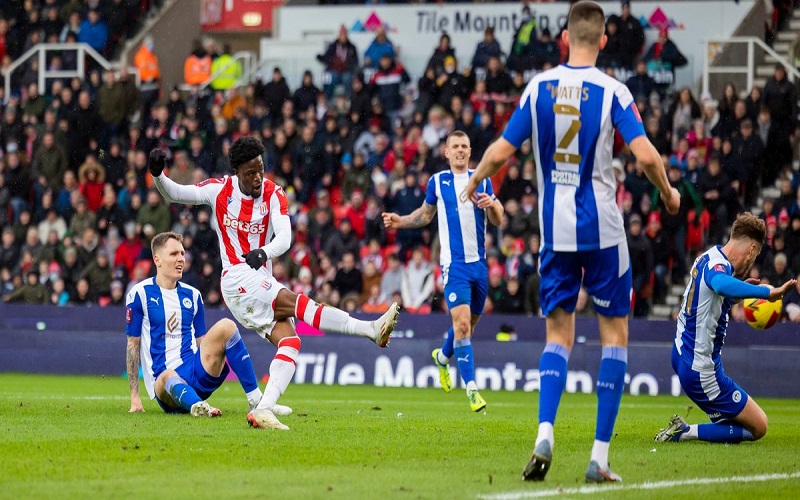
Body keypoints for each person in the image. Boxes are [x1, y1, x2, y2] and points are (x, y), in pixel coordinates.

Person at [464, 1, 680, 483]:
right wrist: (667, 194)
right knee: (614, 338)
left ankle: (545, 432)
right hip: (603, 231)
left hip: (555, 233)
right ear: (603, 40)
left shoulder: (537, 87)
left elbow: (502, 150)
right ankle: (599, 456)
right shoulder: (613, 91)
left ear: (564, 37)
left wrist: (474, 178)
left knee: (557, 336)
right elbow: (644, 154)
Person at [150, 136, 399, 430]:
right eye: (251, 172)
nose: (258, 177)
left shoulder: (273, 193)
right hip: (236, 278)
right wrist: (158, 175)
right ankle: (370, 329)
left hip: (260, 277)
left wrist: (264, 252)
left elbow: (285, 237)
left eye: (261, 169)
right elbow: (176, 193)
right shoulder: (220, 190)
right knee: (299, 303)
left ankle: (264, 407)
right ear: (238, 172)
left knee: (291, 341)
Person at [383, 131, 504, 412]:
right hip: (453, 266)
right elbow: (425, 215)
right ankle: (472, 389)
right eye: (455, 147)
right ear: (447, 152)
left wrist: (493, 205)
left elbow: (498, 220)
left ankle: (442, 356)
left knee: (468, 327)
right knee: (462, 326)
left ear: (470, 150)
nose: (460, 150)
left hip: (479, 266)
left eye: (464, 146)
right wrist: (400, 221)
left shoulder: (482, 179)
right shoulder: (438, 181)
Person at [654, 213, 796, 444]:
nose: (752, 262)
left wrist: (733, 297)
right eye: (756, 255)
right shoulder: (718, 267)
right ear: (751, 250)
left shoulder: (708, 256)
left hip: (680, 353)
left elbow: (709, 300)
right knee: (759, 426)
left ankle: (702, 429)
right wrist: (767, 293)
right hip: (701, 370)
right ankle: (685, 431)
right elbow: (719, 284)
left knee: (733, 423)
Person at [126, 232, 280, 418]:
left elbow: (201, 342)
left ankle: (256, 399)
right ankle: (198, 405)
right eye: (174, 254)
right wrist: (135, 397)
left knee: (226, 325)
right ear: (157, 260)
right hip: (164, 384)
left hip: (194, 370)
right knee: (167, 375)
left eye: (182, 254)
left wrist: (218, 354)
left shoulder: (193, 295)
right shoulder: (139, 294)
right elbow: (133, 344)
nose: (181, 259)